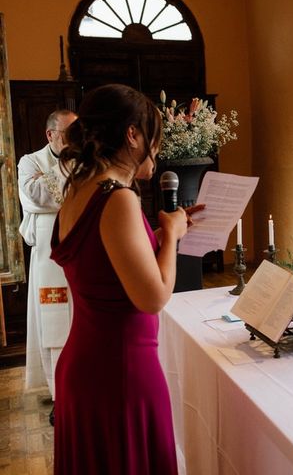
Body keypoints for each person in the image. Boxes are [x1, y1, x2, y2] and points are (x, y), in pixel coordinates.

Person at [51, 84, 189, 474]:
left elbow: (104, 264)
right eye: (154, 137)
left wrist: (159, 239)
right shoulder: (119, 198)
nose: (157, 150)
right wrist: (172, 236)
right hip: (121, 375)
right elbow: (153, 297)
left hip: (84, 366)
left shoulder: (78, 191)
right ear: (132, 134)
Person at [18, 109, 77, 424]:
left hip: (80, 253)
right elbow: (38, 195)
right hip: (48, 258)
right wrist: (66, 173)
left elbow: (71, 197)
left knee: (82, 322)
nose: (74, 139)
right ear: (50, 134)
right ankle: (60, 396)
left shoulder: (83, 161)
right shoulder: (30, 162)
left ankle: (82, 389)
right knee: (55, 324)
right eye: (69, 132)